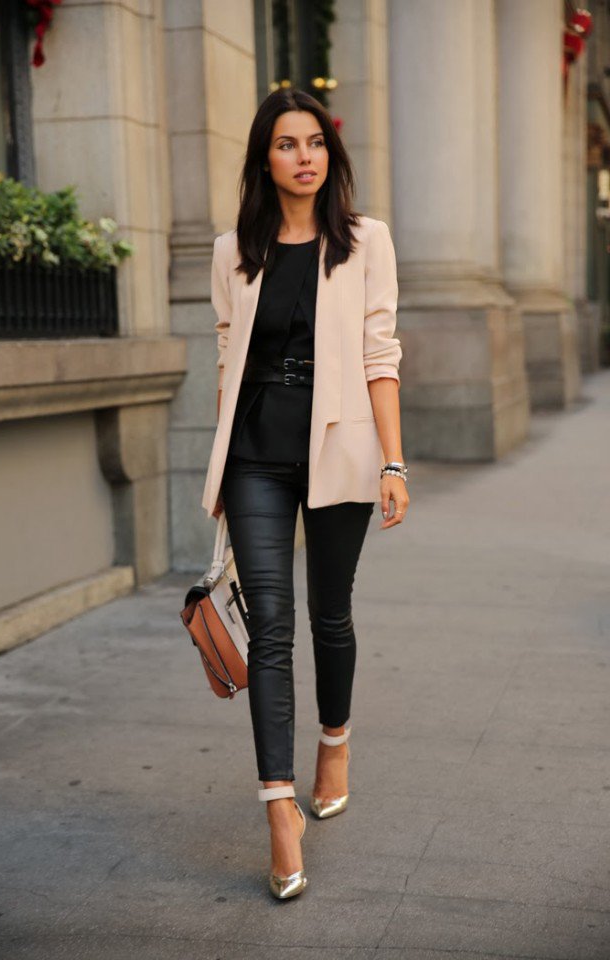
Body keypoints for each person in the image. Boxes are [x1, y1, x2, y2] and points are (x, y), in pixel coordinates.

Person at [201, 88, 409, 900]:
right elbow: (227, 359)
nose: (304, 156)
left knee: (330, 612)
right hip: (254, 453)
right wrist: (219, 473)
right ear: (265, 159)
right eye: (287, 144)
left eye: (315, 142)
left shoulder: (365, 242)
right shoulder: (233, 251)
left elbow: (380, 354)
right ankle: (278, 808)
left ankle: (335, 739)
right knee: (272, 630)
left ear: (331, 154)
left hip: (340, 449)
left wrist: (394, 462)